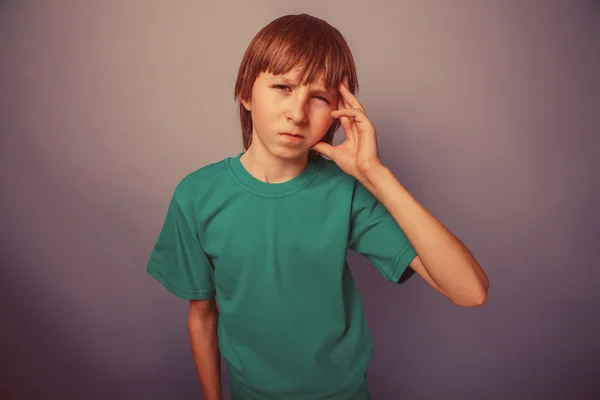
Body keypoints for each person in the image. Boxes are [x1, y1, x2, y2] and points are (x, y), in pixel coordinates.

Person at [147, 13, 489, 400]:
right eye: (282, 87)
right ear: (245, 92)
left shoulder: (345, 192)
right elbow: (202, 314)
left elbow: (470, 291)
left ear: (338, 111)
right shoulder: (197, 196)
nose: (298, 112)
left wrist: (375, 174)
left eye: (320, 97)